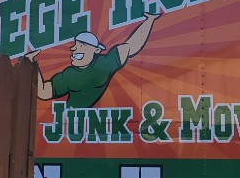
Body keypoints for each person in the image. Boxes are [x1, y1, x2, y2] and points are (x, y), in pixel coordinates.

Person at [26, 11, 160, 108]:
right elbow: (43, 92)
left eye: (81, 46)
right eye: (75, 45)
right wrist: (31, 63)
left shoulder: (106, 63)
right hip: (70, 125)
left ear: (96, 50)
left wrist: (149, 21)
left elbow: (131, 46)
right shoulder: (68, 75)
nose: (74, 49)